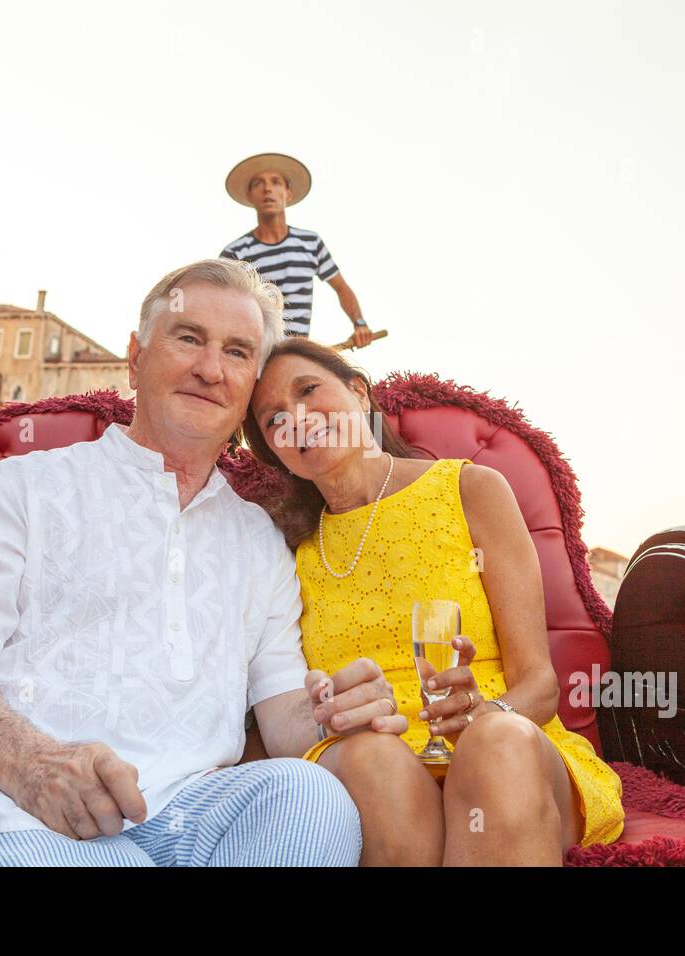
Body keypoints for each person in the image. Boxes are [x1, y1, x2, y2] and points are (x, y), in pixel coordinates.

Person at [0, 259, 405, 867]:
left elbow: (284, 716)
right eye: (188, 338)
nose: (210, 368)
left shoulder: (257, 541)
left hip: (185, 814)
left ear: (248, 391)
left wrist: (328, 712)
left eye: (238, 352)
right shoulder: (21, 489)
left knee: (309, 796)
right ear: (136, 357)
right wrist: (31, 763)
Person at [244, 337, 626, 866]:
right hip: (377, 770)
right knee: (373, 759)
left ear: (359, 393)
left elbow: (539, 686)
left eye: (308, 390)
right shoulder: (286, 549)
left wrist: (487, 713)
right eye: (273, 419)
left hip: (507, 748)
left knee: (495, 743)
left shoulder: (471, 489)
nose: (297, 418)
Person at [220, 152, 373, 346]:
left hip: (298, 350)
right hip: (255, 352)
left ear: (288, 193)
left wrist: (359, 324)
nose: (267, 189)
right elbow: (222, 307)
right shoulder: (235, 253)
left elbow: (341, 288)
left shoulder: (310, 243)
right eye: (258, 183)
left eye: (275, 182)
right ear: (250, 196)